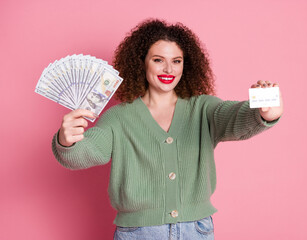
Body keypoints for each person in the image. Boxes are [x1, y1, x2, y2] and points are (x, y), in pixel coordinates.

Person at [52, 19, 283, 240]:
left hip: (196, 231)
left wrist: (263, 112)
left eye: (177, 61)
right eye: (158, 60)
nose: (168, 69)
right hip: (139, 233)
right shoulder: (119, 118)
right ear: (141, 62)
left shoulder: (202, 108)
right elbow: (88, 150)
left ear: (187, 64)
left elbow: (233, 116)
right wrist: (67, 141)